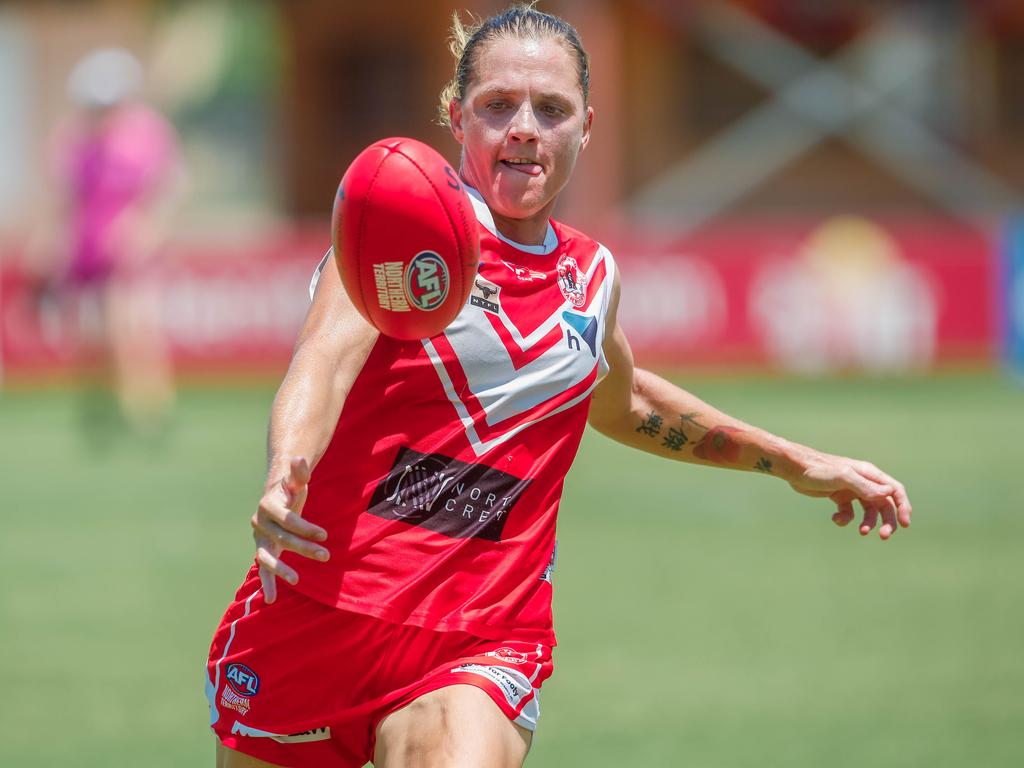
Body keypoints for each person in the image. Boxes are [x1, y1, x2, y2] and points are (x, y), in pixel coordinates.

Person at [205, 5, 912, 767]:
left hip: (481, 638)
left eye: (551, 109)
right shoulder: (398, 231)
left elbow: (630, 402)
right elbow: (325, 356)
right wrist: (287, 467)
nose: (524, 127)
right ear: (456, 116)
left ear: (586, 125)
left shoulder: (593, 278)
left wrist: (795, 461)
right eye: (497, 106)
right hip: (319, 614)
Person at [28, 47, 184, 443]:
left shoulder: (147, 133)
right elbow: (65, 201)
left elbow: (165, 191)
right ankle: (101, 413)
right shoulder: (73, 139)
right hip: (87, 250)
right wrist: (52, 244)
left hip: (131, 253)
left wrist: (147, 231)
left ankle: (150, 416)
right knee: (90, 339)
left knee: (134, 329)